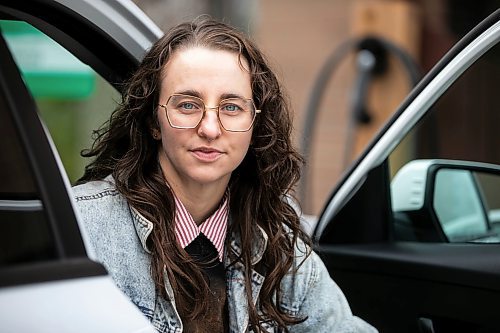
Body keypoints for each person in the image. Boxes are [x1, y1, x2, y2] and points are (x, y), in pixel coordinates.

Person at [73, 16, 377, 333]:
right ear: (153, 121)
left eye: (231, 107)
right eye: (188, 105)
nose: (209, 129)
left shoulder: (277, 237)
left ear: (255, 123)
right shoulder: (87, 228)